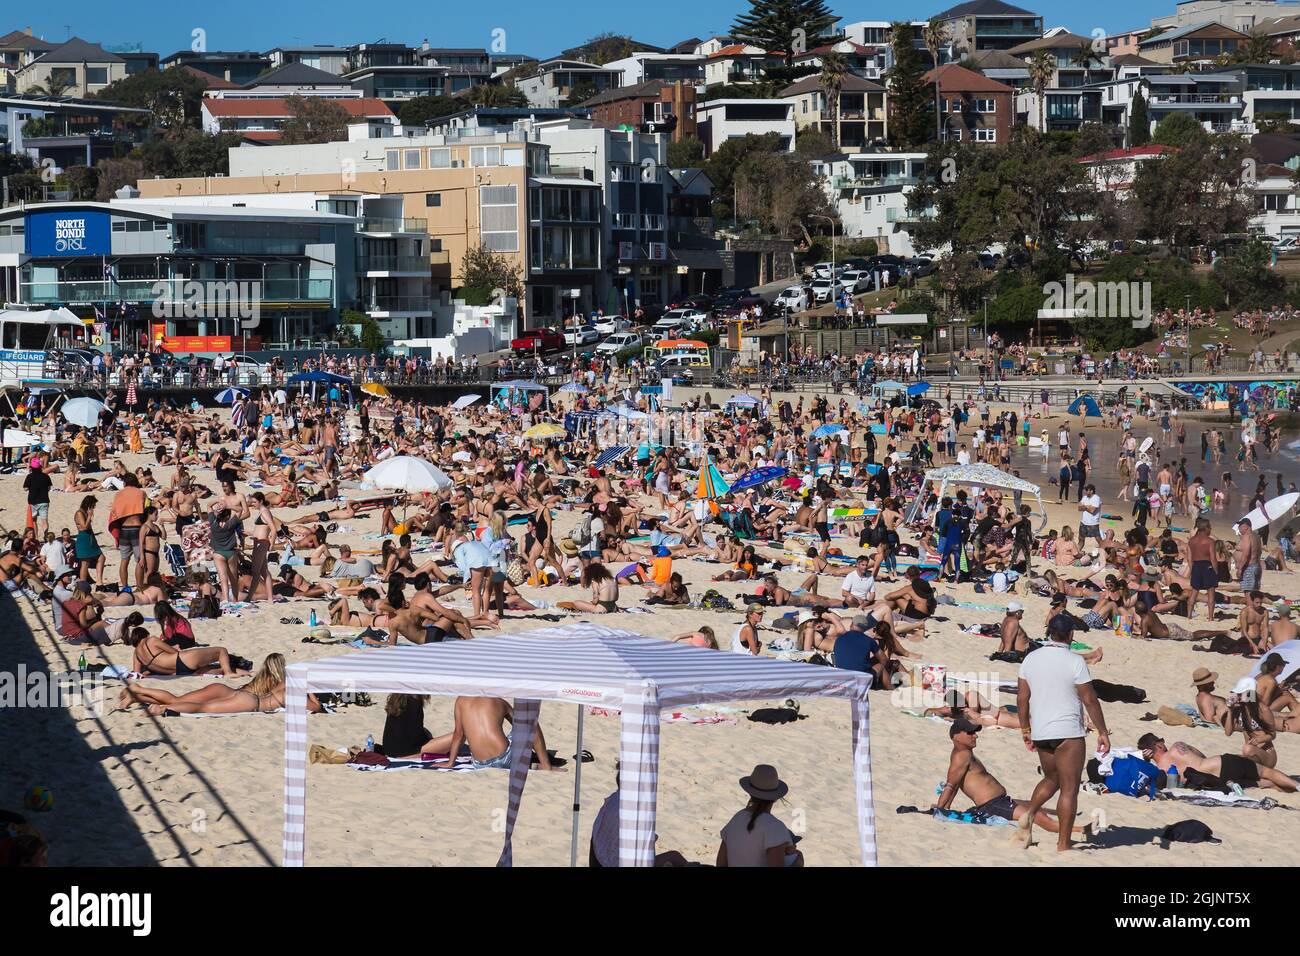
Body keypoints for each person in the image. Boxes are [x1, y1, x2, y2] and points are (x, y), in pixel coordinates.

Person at [1016, 616, 1111, 851]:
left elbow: (1021, 698)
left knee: (1052, 778)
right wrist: (1102, 731)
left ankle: (1029, 813)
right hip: (1068, 732)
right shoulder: (1075, 661)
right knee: (1069, 788)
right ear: (1070, 635)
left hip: (1041, 730)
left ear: (1050, 633)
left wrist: (1025, 729)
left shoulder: (1031, 659)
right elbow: (1089, 699)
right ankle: (1063, 844)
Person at [934, 717, 1091, 836]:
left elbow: (954, 783)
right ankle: (1081, 830)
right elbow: (951, 785)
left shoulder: (965, 753)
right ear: (955, 736)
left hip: (999, 801)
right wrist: (941, 810)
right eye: (970, 733)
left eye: (975, 732)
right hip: (992, 805)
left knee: (1033, 804)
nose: (975, 736)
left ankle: (1067, 818)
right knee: (1035, 815)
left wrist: (945, 807)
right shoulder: (961, 756)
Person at [118, 653, 318, 716]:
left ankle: (139, 692)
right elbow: (314, 707)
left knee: (178, 699)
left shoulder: (263, 676)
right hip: (241, 698)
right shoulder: (280, 681)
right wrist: (311, 690)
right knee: (199, 708)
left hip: (228, 689)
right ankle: (160, 708)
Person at [415, 696, 562, 771]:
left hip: (479, 763)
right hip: (504, 758)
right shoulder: (497, 700)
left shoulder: (460, 701)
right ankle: (546, 766)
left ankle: (534, 763)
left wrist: (450, 763)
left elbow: (459, 735)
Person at [1138, 734, 1296, 792]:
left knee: (1265, 783)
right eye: (1161, 741)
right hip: (1222, 764)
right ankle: (1297, 786)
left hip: (1216, 783)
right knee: (1267, 772)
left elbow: (1178, 784)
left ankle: (1287, 789)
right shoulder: (1177, 746)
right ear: (1158, 745)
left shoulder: (1160, 770)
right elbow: (1201, 755)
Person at [716, 764, 802, 868]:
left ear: (750, 793)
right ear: (776, 798)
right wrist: (798, 860)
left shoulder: (736, 819)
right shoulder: (774, 827)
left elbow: (721, 863)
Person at [22, 458, 51, 539]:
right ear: (40, 467)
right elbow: (49, 488)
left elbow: (25, 488)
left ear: (32, 467)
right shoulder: (45, 476)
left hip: (33, 501)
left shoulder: (29, 476)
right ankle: (46, 537)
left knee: (34, 520)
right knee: (44, 521)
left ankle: (36, 537)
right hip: (44, 500)